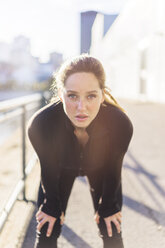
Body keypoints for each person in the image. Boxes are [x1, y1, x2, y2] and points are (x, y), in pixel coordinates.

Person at [27, 53, 133, 248]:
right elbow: (48, 169)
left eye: (91, 96)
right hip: (58, 169)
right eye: (72, 96)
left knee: (111, 225)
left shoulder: (120, 124)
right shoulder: (41, 125)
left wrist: (108, 207)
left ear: (102, 95)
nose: (81, 107)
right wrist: (52, 206)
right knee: (47, 226)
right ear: (60, 94)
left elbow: (113, 168)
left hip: (103, 170)